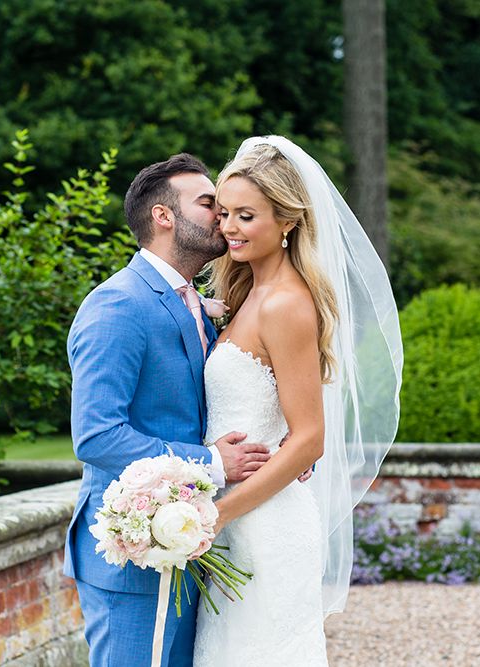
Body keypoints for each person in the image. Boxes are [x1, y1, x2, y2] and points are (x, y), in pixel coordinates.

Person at [64, 153, 282, 667]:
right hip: (134, 553)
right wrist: (210, 463)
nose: (223, 216)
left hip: (188, 543)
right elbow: (96, 436)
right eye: (209, 203)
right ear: (164, 216)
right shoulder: (117, 304)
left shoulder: (193, 301)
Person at [193, 136, 402, 666]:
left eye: (246, 215)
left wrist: (218, 515)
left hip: (263, 524)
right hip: (231, 519)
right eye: (223, 214)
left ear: (287, 221)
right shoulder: (244, 295)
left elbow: (309, 440)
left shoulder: (286, 303)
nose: (229, 228)